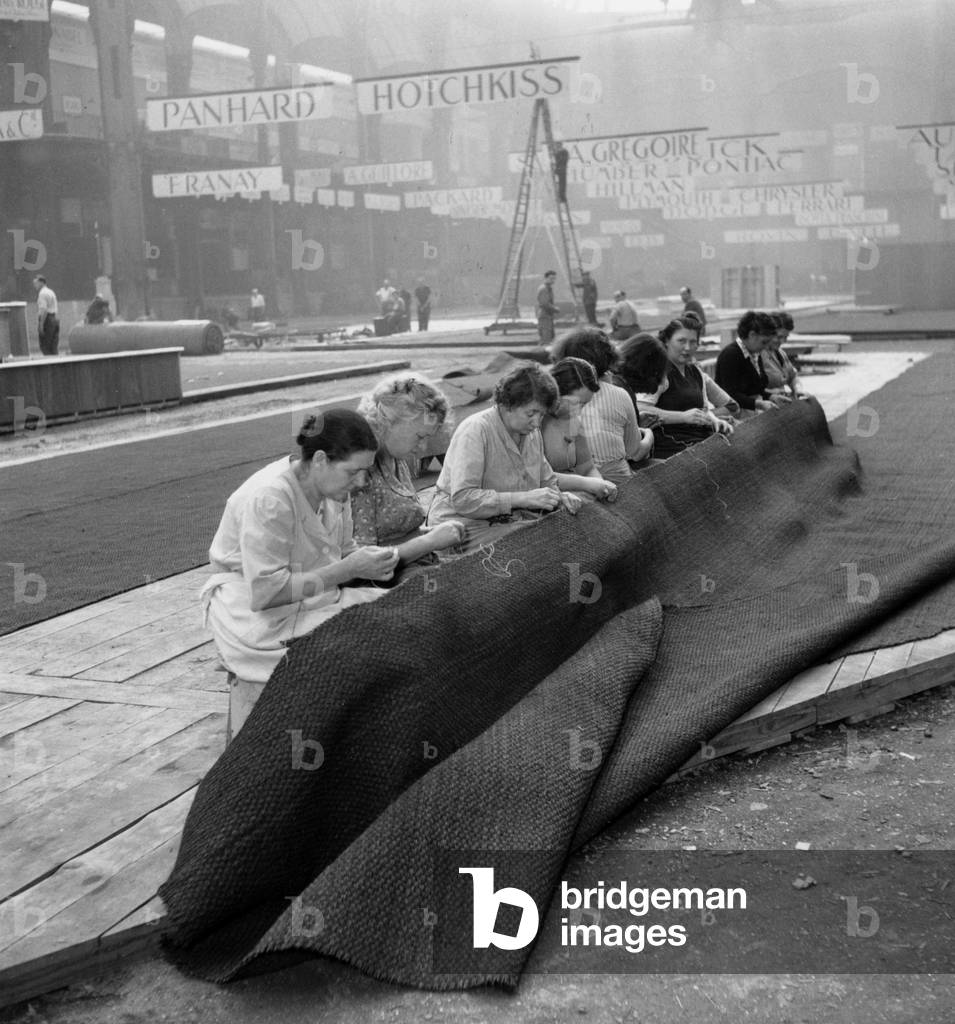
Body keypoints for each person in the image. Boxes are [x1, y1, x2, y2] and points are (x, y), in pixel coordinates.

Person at [200, 409, 399, 735]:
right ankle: (315, 738)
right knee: (359, 642)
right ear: (319, 460)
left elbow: (343, 553)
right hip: (253, 614)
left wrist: (378, 562)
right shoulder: (270, 497)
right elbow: (266, 593)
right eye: (353, 472)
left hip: (308, 597)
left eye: (364, 472)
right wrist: (350, 568)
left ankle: (353, 734)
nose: (361, 482)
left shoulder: (334, 490)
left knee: (397, 611)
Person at [427, 363, 584, 551]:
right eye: (531, 413)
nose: (536, 422)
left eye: (541, 415)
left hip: (508, 520)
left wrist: (559, 497)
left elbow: (546, 480)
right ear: (507, 404)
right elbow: (464, 499)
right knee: (534, 543)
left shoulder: (531, 433)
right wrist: (523, 499)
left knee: (568, 529)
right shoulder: (476, 430)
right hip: (460, 526)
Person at [353, 374, 465, 567]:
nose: (423, 447)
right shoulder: (360, 474)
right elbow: (364, 562)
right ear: (387, 422)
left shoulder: (397, 459)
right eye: (420, 437)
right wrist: (430, 541)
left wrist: (433, 533)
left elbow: (397, 534)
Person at [551, 327, 653, 483]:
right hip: (613, 480)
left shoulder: (553, 394)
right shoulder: (618, 394)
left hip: (573, 480)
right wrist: (649, 434)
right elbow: (635, 453)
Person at [633, 319, 736, 459]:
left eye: (693, 342)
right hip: (671, 447)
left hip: (698, 439)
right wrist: (682, 417)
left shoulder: (695, 372)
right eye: (681, 341)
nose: (687, 347)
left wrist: (714, 420)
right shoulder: (659, 371)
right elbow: (641, 408)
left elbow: (703, 410)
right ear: (667, 341)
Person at [540, 357, 618, 502]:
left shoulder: (574, 421)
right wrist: (588, 484)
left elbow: (587, 468)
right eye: (575, 403)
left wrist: (601, 486)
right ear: (556, 392)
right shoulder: (533, 422)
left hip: (576, 495)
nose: (579, 411)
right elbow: (537, 477)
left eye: (584, 404)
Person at [715, 310, 791, 414]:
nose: (765, 347)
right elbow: (730, 395)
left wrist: (772, 397)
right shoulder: (730, 355)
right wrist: (758, 404)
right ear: (752, 335)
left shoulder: (755, 354)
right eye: (763, 342)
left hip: (751, 412)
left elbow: (755, 389)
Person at [764, 311, 806, 399]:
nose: (783, 341)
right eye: (779, 337)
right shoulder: (756, 355)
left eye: (786, 337)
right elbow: (746, 389)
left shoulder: (781, 353)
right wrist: (769, 393)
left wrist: (797, 388)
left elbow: (792, 376)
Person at [33, 275, 59, 356]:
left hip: (47, 320)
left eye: (36, 283)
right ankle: (56, 362)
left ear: (41, 282)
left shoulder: (42, 294)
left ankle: (49, 362)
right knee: (53, 347)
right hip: (54, 319)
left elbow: (44, 310)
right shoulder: (51, 292)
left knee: (45, 346)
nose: (35, 285)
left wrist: (41, 324)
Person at [536, 270, 560, 344]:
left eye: (554, 278)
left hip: (548, 316)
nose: (553, 280)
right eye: (551, 278)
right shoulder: (544, 289)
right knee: (546, 339)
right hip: (545, 316)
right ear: (546, 278)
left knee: (549, 338)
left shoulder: (548, 288)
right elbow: (544, 304)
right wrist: (555, 309)